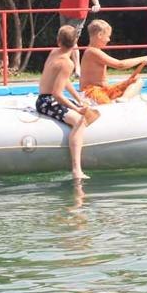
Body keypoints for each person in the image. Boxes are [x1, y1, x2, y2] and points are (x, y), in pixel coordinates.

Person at [37, 25, 100, 181]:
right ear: (76, 42)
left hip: (44, 99)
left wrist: (78, 99)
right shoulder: (67, 63)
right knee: (79, 121)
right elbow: (57, 94)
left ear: (58, 41)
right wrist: (76, 110)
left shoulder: (54, 52)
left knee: (88, 110)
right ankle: (77, 169)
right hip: (47, 102)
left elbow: (63, 81)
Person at [80, 20, 147, 105]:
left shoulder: (95, 51)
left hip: (104, 90)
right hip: (91, 92)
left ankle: (123, 99)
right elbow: (120, 65)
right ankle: (117, 103)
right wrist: (142, 58)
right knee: (108, 106)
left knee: (137, 81)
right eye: (108, 36)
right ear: (100, 35)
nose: (109, 39)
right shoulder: (92, 51)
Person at [55, 0, 101, 79]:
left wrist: (96, 3)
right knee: (64, 40)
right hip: (64, 11)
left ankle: (76, 68)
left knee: (72, 40)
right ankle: (69, 68)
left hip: (78, 12)